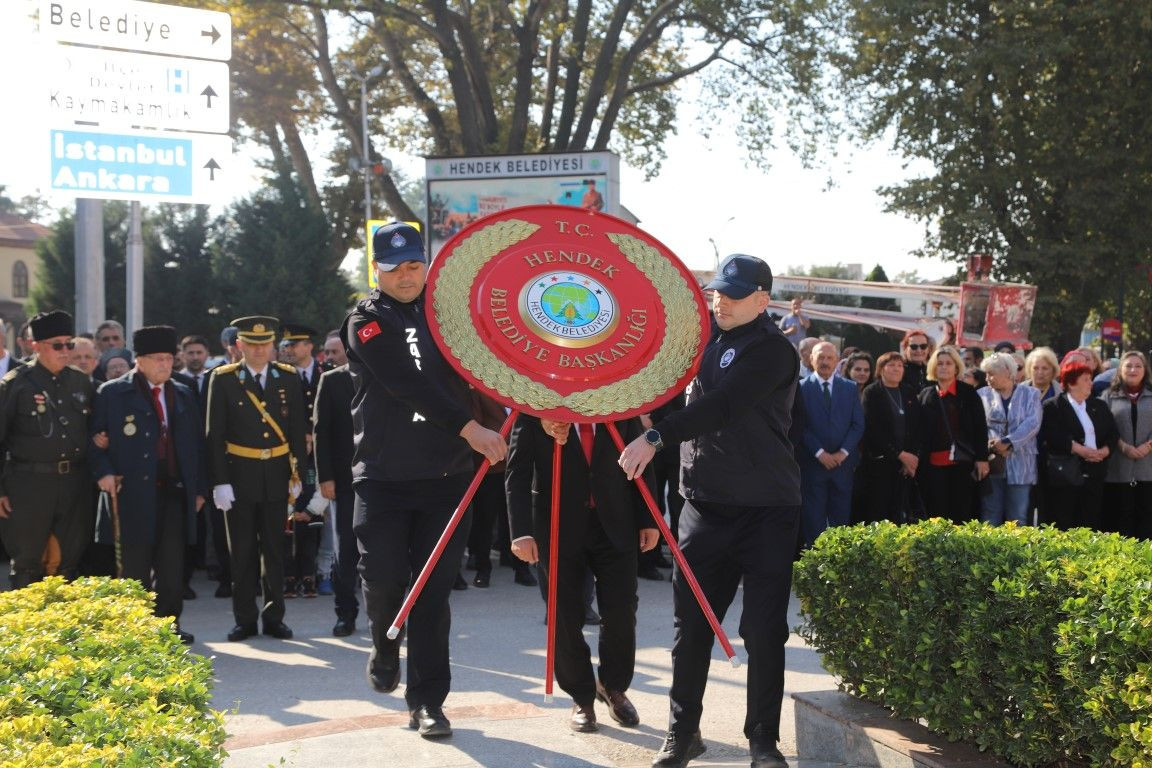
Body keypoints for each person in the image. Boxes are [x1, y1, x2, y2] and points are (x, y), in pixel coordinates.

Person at [618, 253, 800, 768]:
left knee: (764, 630)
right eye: (717, 291)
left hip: (767, 508)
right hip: (702, 505)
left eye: (734, 294)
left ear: (763, 300)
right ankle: (682, 734)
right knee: (691, 628)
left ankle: (763, 740)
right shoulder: (698, 344)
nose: (720, 301)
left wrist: (655, 436)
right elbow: (659, 393)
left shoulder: (774, 352)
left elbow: (723, 406)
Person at [340, 221, 506, 739]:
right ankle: (385, 642)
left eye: (414, 264)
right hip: (383, 477)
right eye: (394, 268)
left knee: (433, 596)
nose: (407, 276)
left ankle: (429, 702)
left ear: (427, 264)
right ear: (376, 271)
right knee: (385, 579)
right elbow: (402, 381)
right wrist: (471, 427)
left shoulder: (454, 315)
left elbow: (500, 356)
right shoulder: (364, 320)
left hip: (447, 476)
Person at [506, 416, 657, 733]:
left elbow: (643, 464)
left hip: (615, 523)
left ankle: (614, 687)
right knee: (564, 614)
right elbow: (517, 472)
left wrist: (649, 519)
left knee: (621, 610)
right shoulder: (536, 406)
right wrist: (520, 532)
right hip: (557, 525)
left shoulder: (616, 399)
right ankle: (581, 698)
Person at [89, 326, 203, 645]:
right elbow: (95, 442)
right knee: (135, 566)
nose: (165, 365)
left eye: (169, 358)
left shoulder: (183, 391)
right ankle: (135, 630)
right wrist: (104, 472)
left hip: (174, 491)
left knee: (171, 565)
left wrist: (200, 489)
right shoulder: (113, 393)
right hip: (133, 492)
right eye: (158, 359)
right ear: (139, 360)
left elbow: (196, 444)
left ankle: (169, 624)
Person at [206, 315, 307, 642]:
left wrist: (299, 475)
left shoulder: (288, 378)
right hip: (239, 477)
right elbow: (215, 435)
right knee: (243, 553)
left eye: (265, 344)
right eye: (251, 344)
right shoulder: (223, 379)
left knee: (276, 552)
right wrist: (220, 481)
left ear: (273, 345)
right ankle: (245, 618)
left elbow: (297, 433)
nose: (259, 350)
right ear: (239, 345)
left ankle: (274, 616)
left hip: (277, 476)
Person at [0, 310, 96, 587]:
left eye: (70, 344)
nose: (66, 351)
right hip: (29, 485)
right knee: (28, 562)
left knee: (68, 562)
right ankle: (28, 628)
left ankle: (62, 626)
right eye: (58, 345)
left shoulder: (80, 381)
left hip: (73, 484)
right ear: (36, 345)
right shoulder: (14, 385)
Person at [797, 341, 865, 547]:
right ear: (811, 359)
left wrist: (843, 453)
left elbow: (857, 424)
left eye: (829, 358)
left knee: (841, 520)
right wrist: (819, 453)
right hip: (812, 465)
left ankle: (839, 567)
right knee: (813, 520)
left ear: (837, 361)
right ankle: (813, 569)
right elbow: (800, 425)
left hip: (842, 466)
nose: (825, 362)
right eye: (821, 357)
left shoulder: (850, 388)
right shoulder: (801, 389)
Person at [1038, 361, 1117, 530]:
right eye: (1086, 379)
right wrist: (1082, 451)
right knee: (1064, 522)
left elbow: (1112, 433)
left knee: (1090, 522)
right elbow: (1054, 435)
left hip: (1095, 472)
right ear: (1072, 383)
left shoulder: (1098, 405)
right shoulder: (1054, 405)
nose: (1091, 383)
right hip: (1066, 474)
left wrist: (1104, 451)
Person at [313, 348, 359, 636]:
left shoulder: (388, 372)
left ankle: (389, 614)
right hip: (344, 481)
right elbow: (322, 432)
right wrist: (325, 477)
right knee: (345, 551)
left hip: (386, 478)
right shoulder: (331, 380)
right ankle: (346, 612)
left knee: (386, 552)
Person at [917, 346, 989, 522]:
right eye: (939, 363)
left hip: (962, 464)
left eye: (948, 363)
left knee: (961, 512)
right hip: (933, 465)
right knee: (936, 513)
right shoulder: (926, 395)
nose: (944, 367)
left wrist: (982, 458)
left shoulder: (968, 393)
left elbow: (980, 428)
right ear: (933, 367)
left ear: (956, 367)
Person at [279, 323, 324, 598]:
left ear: (309, 346)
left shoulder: (325, 375)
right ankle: (287, 575)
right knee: (286, 517)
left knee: (313, 513)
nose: (289, 350)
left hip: (317, 457)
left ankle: (310, 574)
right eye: (286, 346)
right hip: (287, 455)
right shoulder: (281, 377)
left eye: (294, 344)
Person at [856, 352, 923, 524]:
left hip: (905, 466)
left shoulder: (908, 392)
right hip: (880, 463)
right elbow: (872, 429)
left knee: (900, 513)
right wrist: (900, 454)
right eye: (891, 365)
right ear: (881, 369)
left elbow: (916, 427)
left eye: (900, 365)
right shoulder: (872, 392)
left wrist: (911, 458)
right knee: (878, 513)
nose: (896, 369)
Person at [976, 352, 1041, 526]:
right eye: (986, 374)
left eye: (991, 373)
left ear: (1006, 372)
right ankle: (988, 552)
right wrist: (995, 444)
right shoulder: (982, 394)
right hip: (992, 463)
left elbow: (1033, 424)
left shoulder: (1031, 394)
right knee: (990, 513)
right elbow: (978, 425)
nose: (988, 378)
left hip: (1021, 464)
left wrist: (1008, 442)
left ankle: (1017, 553)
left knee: (1018, 516)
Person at [1101, 351, 1152, 538]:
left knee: (1147, 520)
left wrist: (1148, 446)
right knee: (1120, 521)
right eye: (1128, 366)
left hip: (1148, 471)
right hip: (1118, 470)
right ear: (1120, 370)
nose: (1133, 370)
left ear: (1145, 370)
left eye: (1138, 366)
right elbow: (1104, 427)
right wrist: (1124, 447)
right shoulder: (1108, 396)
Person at [899, 330, 934, 395]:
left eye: (923, 346)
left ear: (928, 349)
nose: (919, 350)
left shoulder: (931, 372)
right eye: (914, 347)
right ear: (905, 349)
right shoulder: (899, 372)